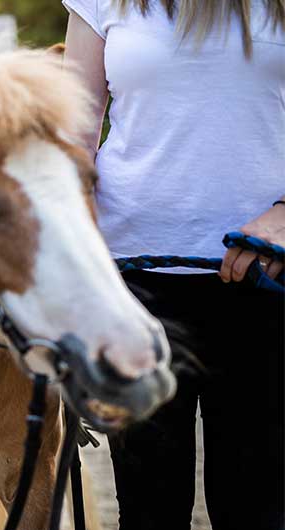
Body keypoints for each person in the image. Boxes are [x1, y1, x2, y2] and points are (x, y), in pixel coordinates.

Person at [62, 1, 284, 529]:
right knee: (148, 507)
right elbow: (72, 133)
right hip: (132, 288)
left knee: (259, 506)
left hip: (268, 280)